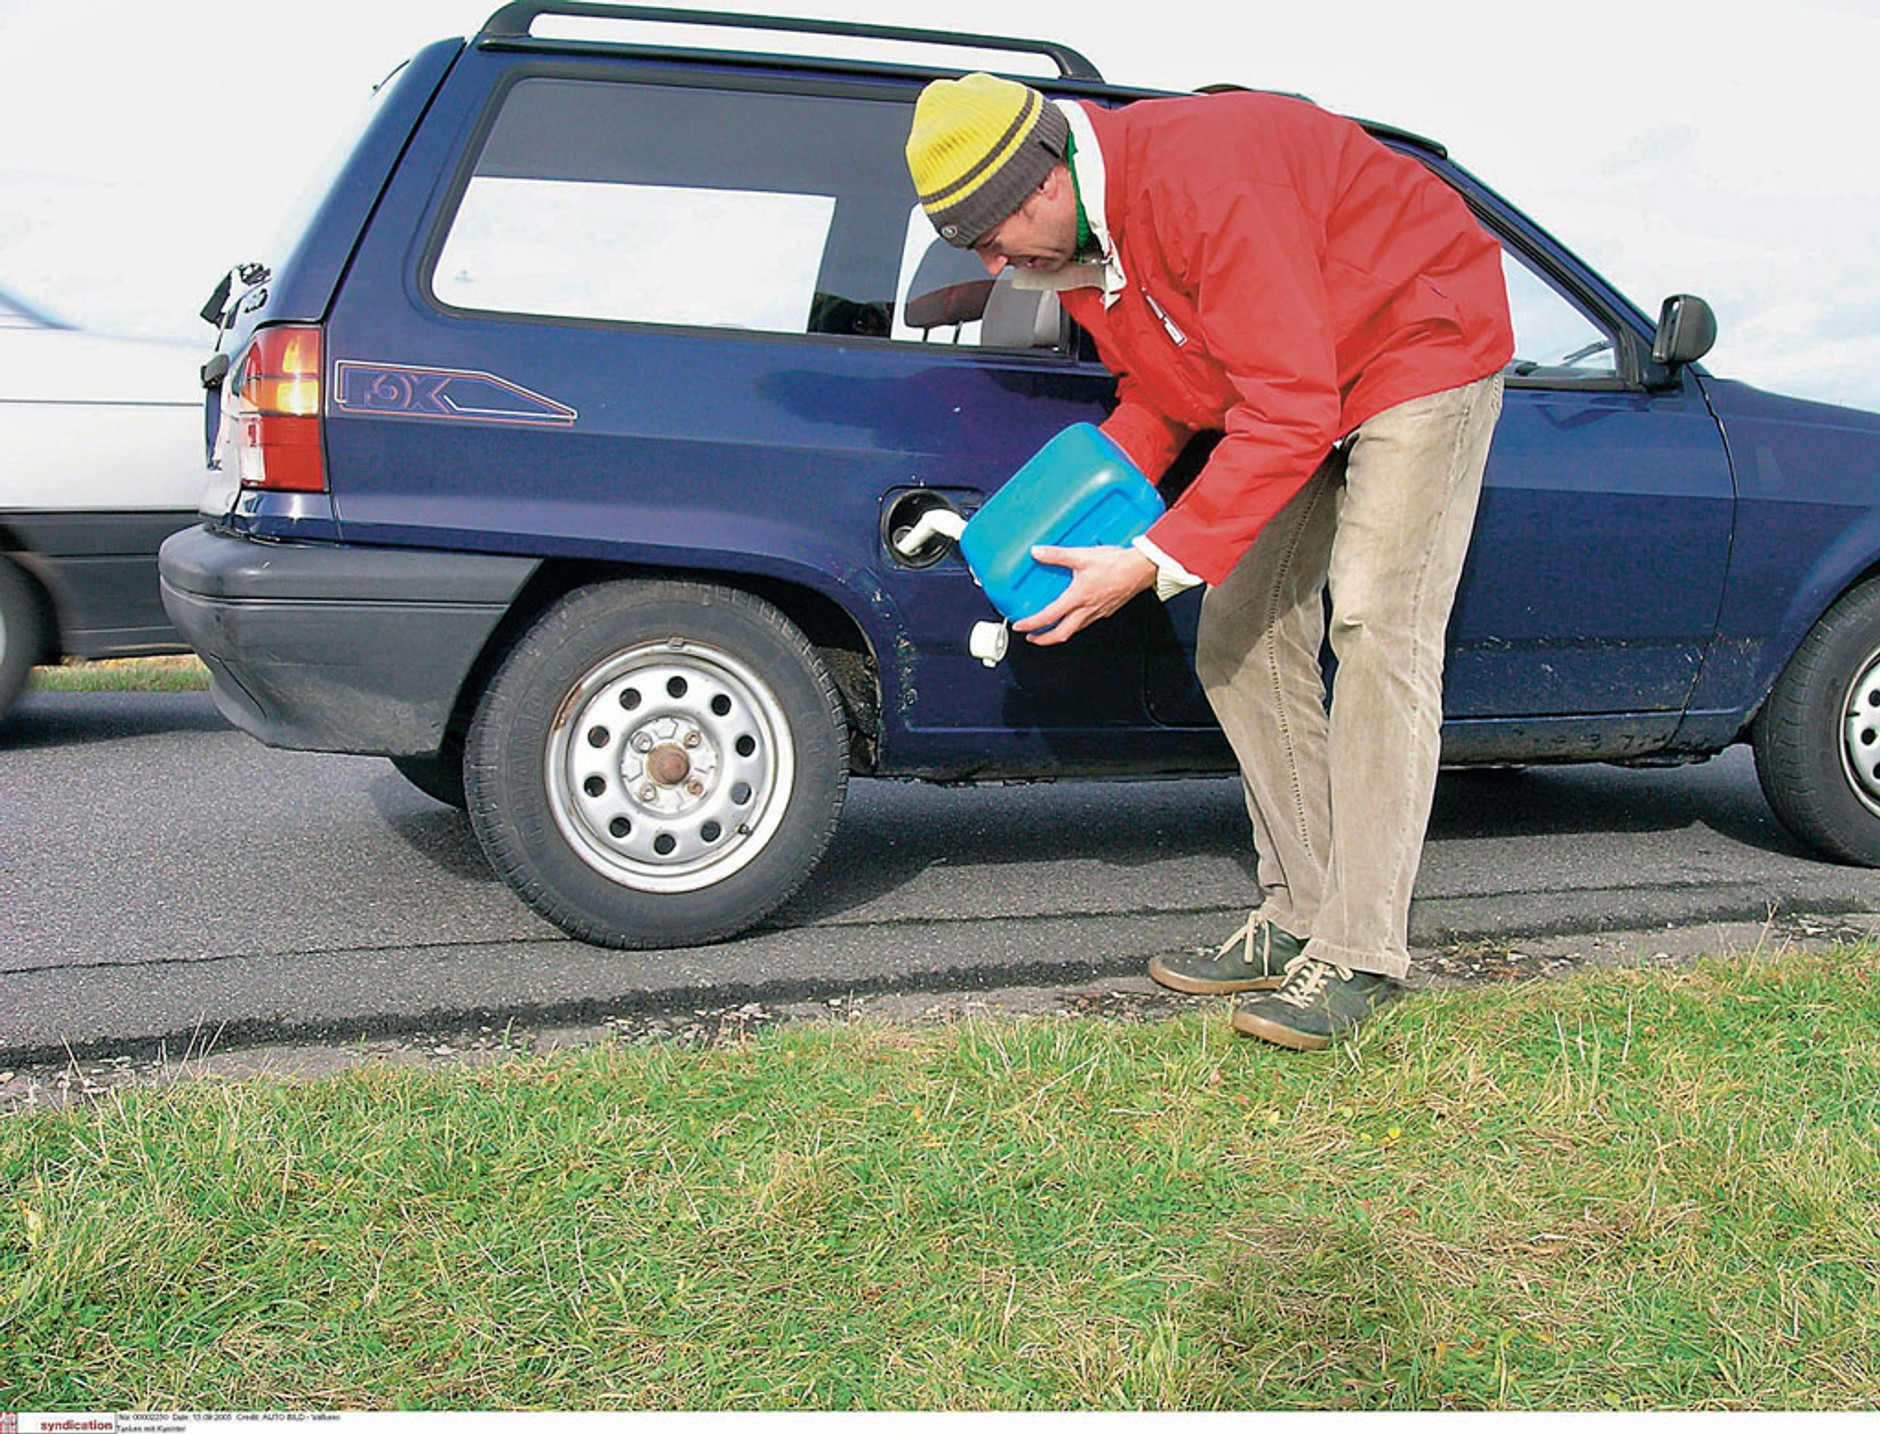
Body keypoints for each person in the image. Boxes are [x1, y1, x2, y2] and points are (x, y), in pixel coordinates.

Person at [904, 72, 1515, 1050]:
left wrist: (1149, 562)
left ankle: (1359, 952)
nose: (993, 264)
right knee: (1234, 630)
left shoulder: (1200, 180)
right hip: (1292, 375)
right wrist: (1087, 508)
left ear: (1039, 185)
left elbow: (1285, 410)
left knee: (1372, 619)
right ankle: (1298, 915)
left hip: (1414, 337)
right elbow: (1174, 394)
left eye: (990, 238)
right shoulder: (1076, 252)